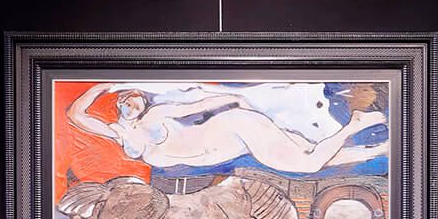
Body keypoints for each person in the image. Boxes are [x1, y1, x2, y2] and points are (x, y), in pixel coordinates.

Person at [66, 82, 386, 173]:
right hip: (237, 142)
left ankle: (354, 125)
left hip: (236, 128)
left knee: (309, 163)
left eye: (137, 98)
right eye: (128, 99)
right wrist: (100, 87)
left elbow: (198, 106)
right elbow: (76, 115)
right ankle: (379, 149)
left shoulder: (156, 115)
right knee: (315, 157)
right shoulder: (121, 134)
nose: (133, 103)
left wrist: (235, 100)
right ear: (120, 103)